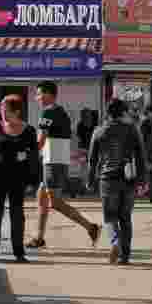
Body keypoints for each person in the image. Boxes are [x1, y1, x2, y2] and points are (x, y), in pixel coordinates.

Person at [27, 81, 101, 249]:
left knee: (55, 202)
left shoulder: (48, 113)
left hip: (53, 162)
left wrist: (26, 154)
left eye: (39, 94)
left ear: (48, 94)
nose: (37, 97)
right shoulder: (61, 112)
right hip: (55, 161)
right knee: (41, 198)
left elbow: (40, 140)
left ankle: (91, 227)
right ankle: (39, 237)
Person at [0, 95, 39, 263]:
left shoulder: (29, 131)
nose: (2, 113)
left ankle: (19, 252)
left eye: (6, 111)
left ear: (17, 111)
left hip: (18, 179)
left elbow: (34, 155)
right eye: (1, 110)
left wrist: (32, 178)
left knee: (17, 215)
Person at [87, 98, 146, 266]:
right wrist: (142, 180)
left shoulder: (99, 131)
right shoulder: (132, 129)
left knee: (110, 218)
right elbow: (141, 156)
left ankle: (115, 242)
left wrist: (90, 180)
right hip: (128, 179)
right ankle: (125, 256)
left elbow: (92, 160)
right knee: (125, 218)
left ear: (108, 113)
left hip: (107, 180)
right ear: (123, 112)